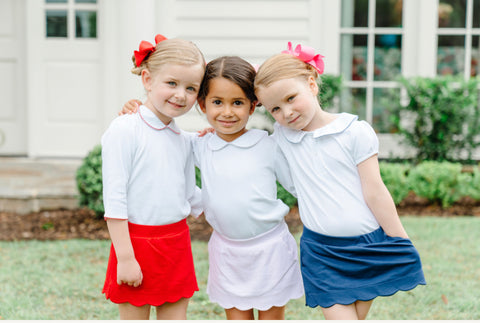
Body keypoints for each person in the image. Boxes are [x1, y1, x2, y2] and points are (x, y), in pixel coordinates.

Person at [120, 56, 304, 320]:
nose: (227, 112)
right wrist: (138, 111)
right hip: (227, 251)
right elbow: (159, 134)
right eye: (217, 102)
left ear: (253, 106)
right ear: (202, 104)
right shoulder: (198, 144)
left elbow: (296, 184)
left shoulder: (268, 144)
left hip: (270, 248)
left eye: (237, 103)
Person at [253, 42, 426, 320]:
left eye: (290, 98)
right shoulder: (283, 138)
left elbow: (375, 192)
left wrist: (399, 239)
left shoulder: (354, 132)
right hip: (321, 251)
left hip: (368, 246)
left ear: (312, 84)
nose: (286, 113)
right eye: (274, 108)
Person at [101, 34, 205, 320]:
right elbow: (115, 198)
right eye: (171, 83)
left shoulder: (184, 140)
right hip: (135, 244)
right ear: (147, 79)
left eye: (191, 87)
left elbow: (191, 193)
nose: (180, 95)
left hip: (176, 242)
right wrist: (125, 258)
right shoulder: (125, 130)